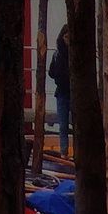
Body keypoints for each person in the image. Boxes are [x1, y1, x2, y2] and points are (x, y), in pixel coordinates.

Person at [48, 24, 71, 158]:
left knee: (76, 125)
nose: (67, 40)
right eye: (66, 37)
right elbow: (51, 72)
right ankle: (64, 152)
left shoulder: (74, 54)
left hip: (73, 93)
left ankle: (75, 151)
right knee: (63, 125)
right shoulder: (58, 54)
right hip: (62, 92)